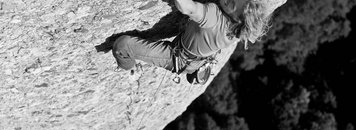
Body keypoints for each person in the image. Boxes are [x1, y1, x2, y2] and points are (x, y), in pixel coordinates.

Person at [112, 0, 271, 83]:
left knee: (122, 46)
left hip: (176, 57)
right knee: (195, 60)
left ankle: (131, 68)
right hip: (198, 57)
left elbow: (185, 6)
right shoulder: (238, 30)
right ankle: (194, 72)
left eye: (231, 3)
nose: (228, 0)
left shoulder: (214, 16)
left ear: (235, 18)